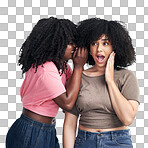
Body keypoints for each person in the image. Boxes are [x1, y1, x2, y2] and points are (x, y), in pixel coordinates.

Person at [6, 17, 87, 148]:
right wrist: (78, 66)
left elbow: (74, 89)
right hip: (32, 130)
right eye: (70, 43)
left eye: (74, 42)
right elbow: (67, 103)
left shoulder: (61, 67)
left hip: (46, 129)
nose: (74, 47)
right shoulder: (46, 69)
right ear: (56, 44)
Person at [63, 18, 140, 148]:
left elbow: (127, 118)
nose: (99, 49)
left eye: (105, 43)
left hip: (117, 142)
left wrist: (110, 80)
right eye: (94, 43)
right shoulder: (78, 78)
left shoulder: (126, 77)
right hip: (85, 141)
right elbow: (70, 124)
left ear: (114, 46)